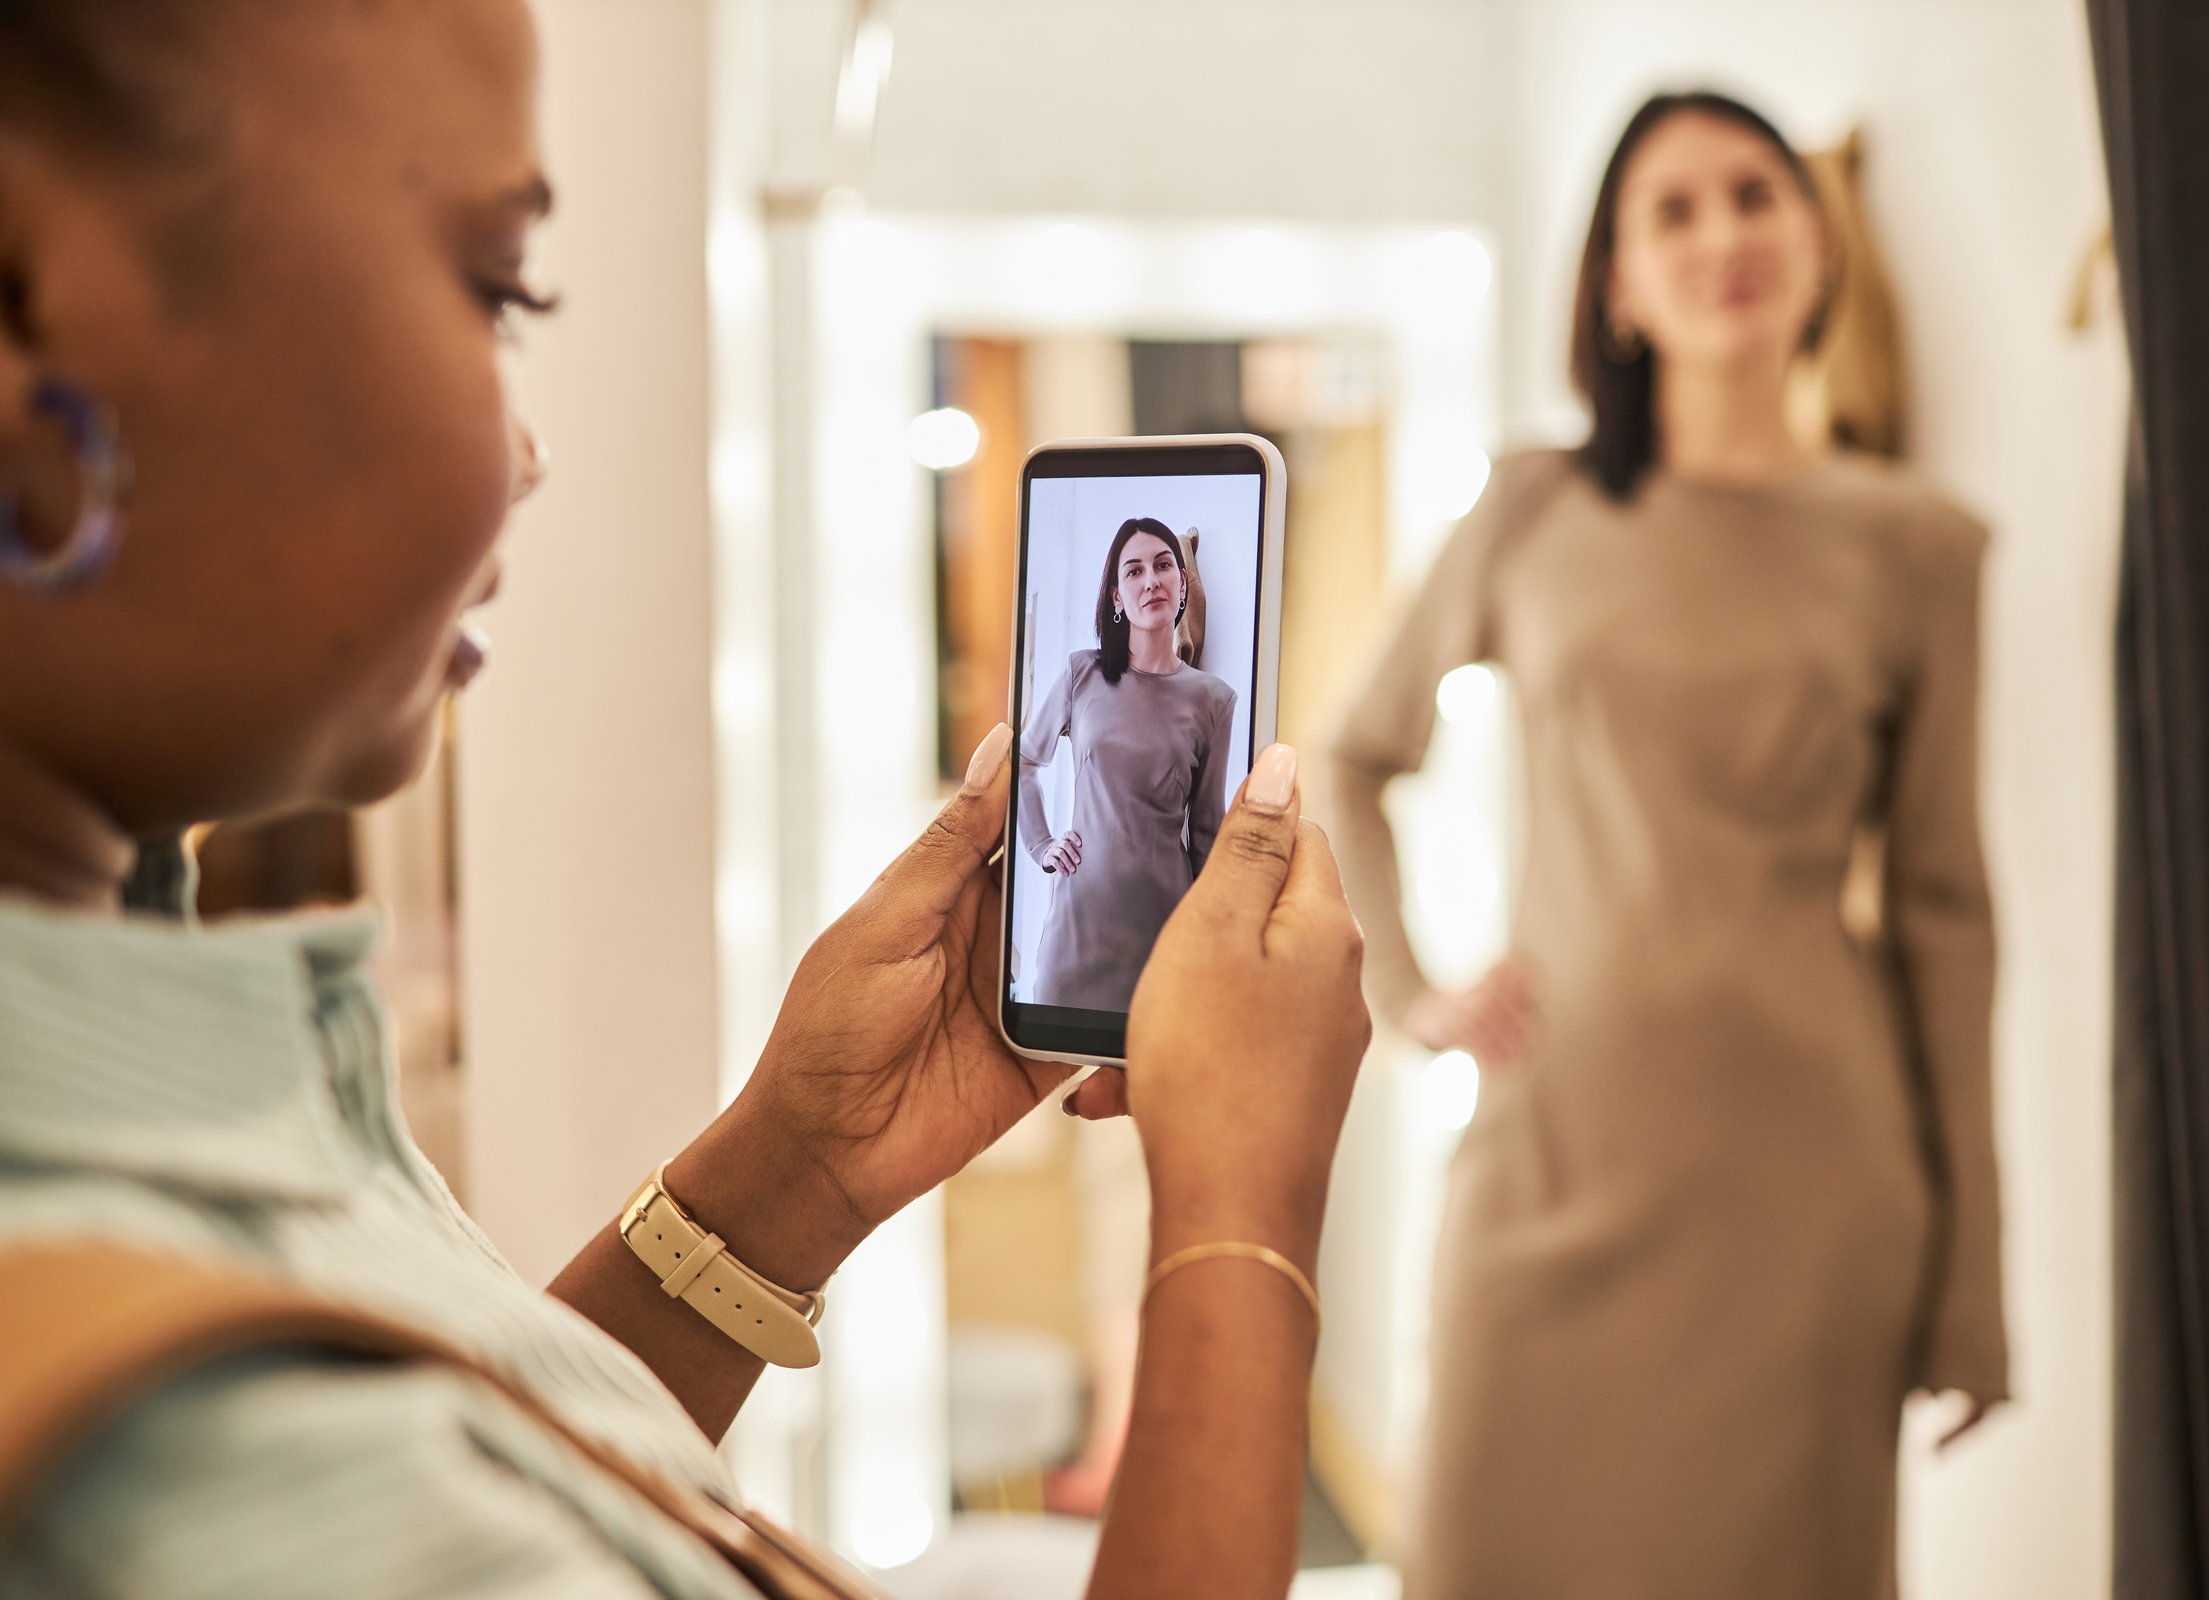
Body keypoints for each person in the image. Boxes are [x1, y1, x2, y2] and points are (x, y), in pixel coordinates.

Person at [0, 4, 1370, 1598]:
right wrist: (1241, 1227)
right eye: (495, 286)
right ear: (30, 320)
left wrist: (793, 1172)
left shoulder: (199, 1093)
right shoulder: (159, 1467)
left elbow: (491, 1477)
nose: (528, 452)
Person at [1328, 90, 2009, 1598]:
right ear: (1617, 286)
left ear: (1820, 242)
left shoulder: (1920, 551)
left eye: (1756, 193)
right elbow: (1353, 759)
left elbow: (1948, 915)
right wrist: (1411, 997)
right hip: (1552, 1162)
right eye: (1673, 210)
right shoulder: (1533, 507)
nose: (1723, 236)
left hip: (1813, 1192)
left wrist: (1974, 1281)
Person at [1017, 517, 1238, 1010]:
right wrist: (1042, 845)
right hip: (1077, 935)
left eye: (1163, 565)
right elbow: (1024, 762)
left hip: (1166, 936)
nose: (1151, 580)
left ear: (1182, 582)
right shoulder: (1082, 674)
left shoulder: (1214, 700)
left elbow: (1207, 832)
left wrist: (1216, 944)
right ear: (1117, 598)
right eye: (1134, 571)